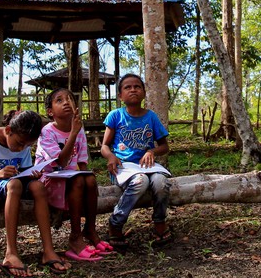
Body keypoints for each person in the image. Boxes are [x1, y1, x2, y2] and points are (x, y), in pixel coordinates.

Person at [0, 109, 71, 276]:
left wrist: (32, 173)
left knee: (38, 186)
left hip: (10, 184)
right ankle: (11, 253)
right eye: (20, 143)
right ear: (8, 130)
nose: (22, 148)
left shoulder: (23, 140)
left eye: (27, 146)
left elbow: (23, 170)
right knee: (14, 185)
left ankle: (48, 251)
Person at [35, 88, 111, 261]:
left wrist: (88, 182)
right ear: (50, 112)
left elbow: (82, 163)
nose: (66, 102)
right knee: (78, 179)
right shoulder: (47, 132)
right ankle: (75, 237)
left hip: (70, 179)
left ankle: (90, 230)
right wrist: (74, 132)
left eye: (69, 99)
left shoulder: (78, 128)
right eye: (59, 100)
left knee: (90, 179)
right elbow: (60, 163)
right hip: (49, 181)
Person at [100, 73, 172, 250]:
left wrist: (151, 151)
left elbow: (164, 146)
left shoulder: (151, 117)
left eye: (137, 86)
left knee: (161, 182)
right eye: (127, 87)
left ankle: (159, 222)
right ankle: (115, 224)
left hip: (148, 166)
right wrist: (111, 157)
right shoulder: (115, 116)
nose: (133, 90)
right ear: (120, 95)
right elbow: (104, 146)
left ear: (144, 92)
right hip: (124, 166)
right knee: (141, 181)